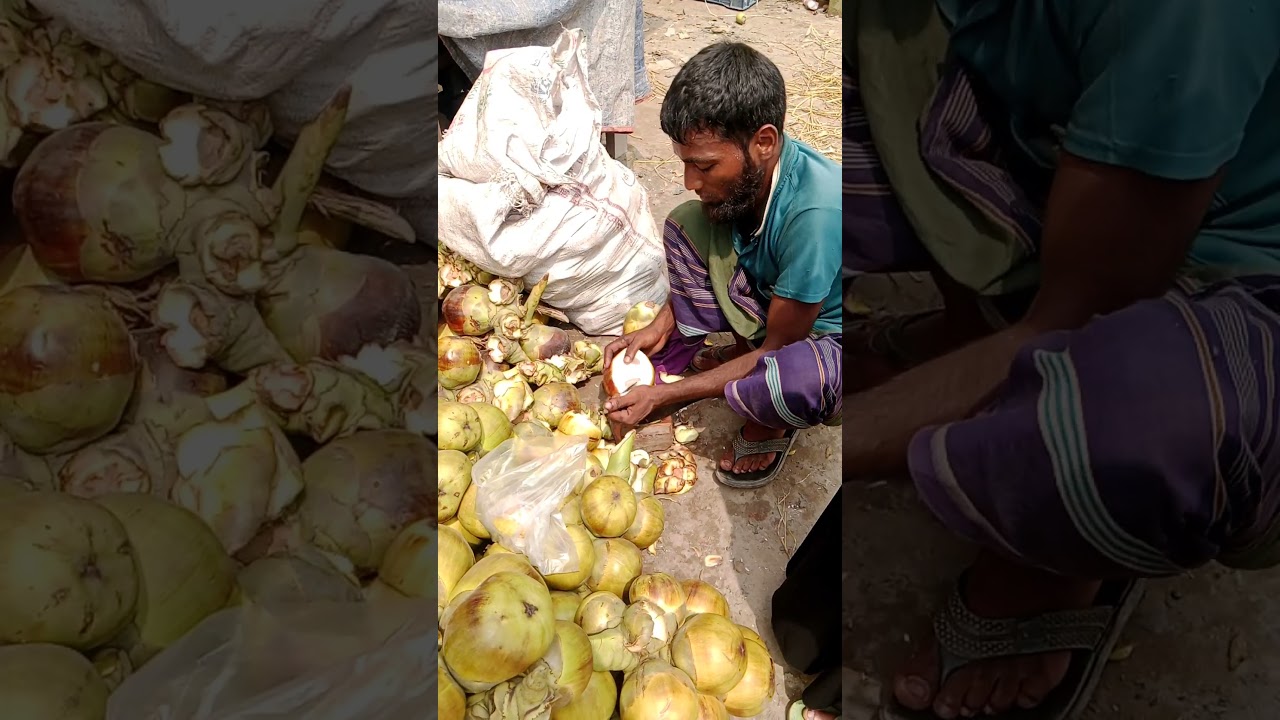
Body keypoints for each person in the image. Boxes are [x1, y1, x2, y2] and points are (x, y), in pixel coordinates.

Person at [844, 1, 1280, 718]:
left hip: (1235, 255)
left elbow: (1072, 315)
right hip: (1065, 145)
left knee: (1148, 421)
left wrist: (841, 435)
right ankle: (967, 332)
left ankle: (1053, 565)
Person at [602, 42, 844, 489]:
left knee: (793, 377)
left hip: (830, 336)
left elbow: (779, 346)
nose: (691, 181)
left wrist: (666, 395)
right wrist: (662, 321)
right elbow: (710, 241)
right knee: (687, 223)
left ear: (764, 142)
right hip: (778, 301)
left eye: (705, 165)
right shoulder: (754, 177)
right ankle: (735, 355)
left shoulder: (817, 214)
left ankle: (772, 422)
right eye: (686, 164)